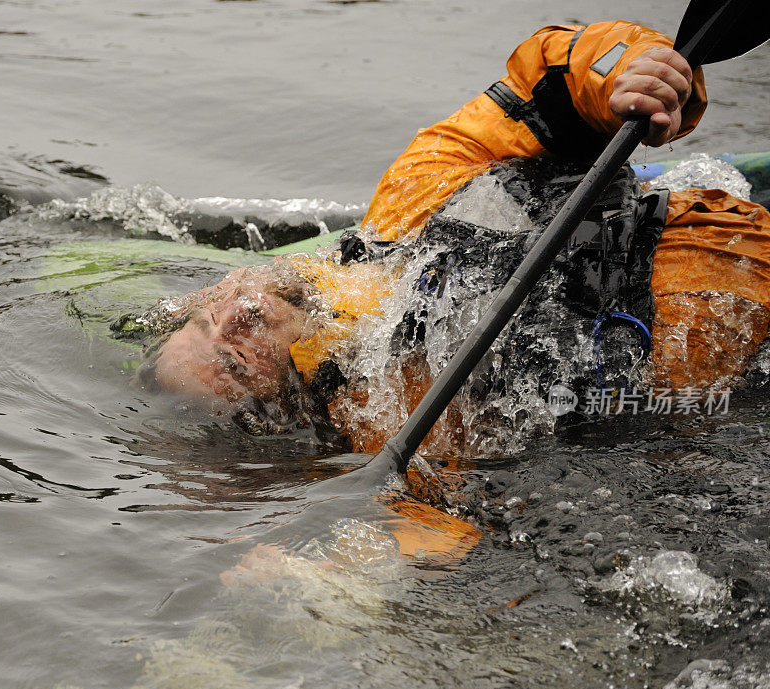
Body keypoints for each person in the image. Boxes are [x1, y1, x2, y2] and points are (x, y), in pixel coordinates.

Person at [136, 20, 770, 454]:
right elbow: (437, 530)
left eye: (202, 324)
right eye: (232, 359)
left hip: (705, 232)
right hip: (714, 340)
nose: (230, 321)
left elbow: (539, 80)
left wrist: (621, 76)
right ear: (285, 399)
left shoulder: (405, 201)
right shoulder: (397, 417)